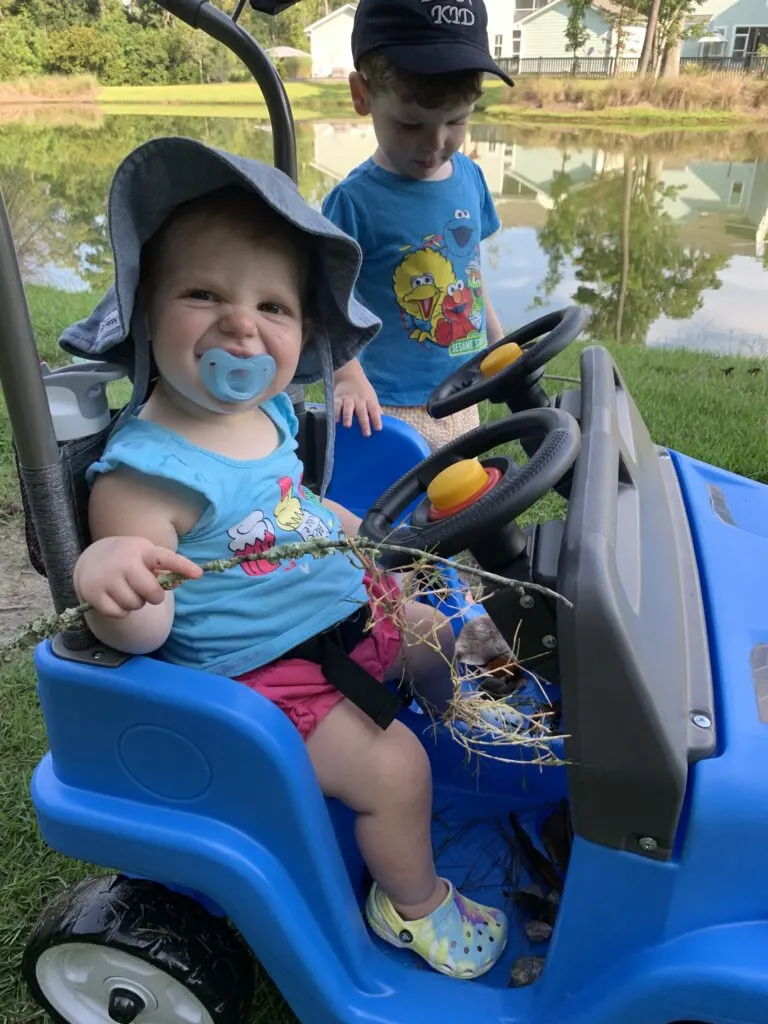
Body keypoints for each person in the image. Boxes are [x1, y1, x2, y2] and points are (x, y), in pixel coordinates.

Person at [70, 137, 508, 981]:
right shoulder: (147, 471)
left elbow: (283, 503)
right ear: (145, 311)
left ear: (303, 334)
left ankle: (482, 730)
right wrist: (112, 577)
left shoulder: (266, 416)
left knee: (437, 627)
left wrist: (343, 521)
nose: (241, 323)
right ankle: (412, 906)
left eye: (273, 307)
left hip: (341, 622)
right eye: (204, 295)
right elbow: (138, 623)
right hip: (266, 686)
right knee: (395, 769)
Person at [322, 0, 513, 451]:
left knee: (461, 504)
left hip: (463, 389)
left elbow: (470, 273)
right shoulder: (353, 202)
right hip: (384, 403)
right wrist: (348, 377)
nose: (435, 144)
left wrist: (497, 341)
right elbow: (322, 300)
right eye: (411, 124)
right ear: (361, 95)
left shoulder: (471, 178)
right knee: (395, 513)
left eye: (456, 121)